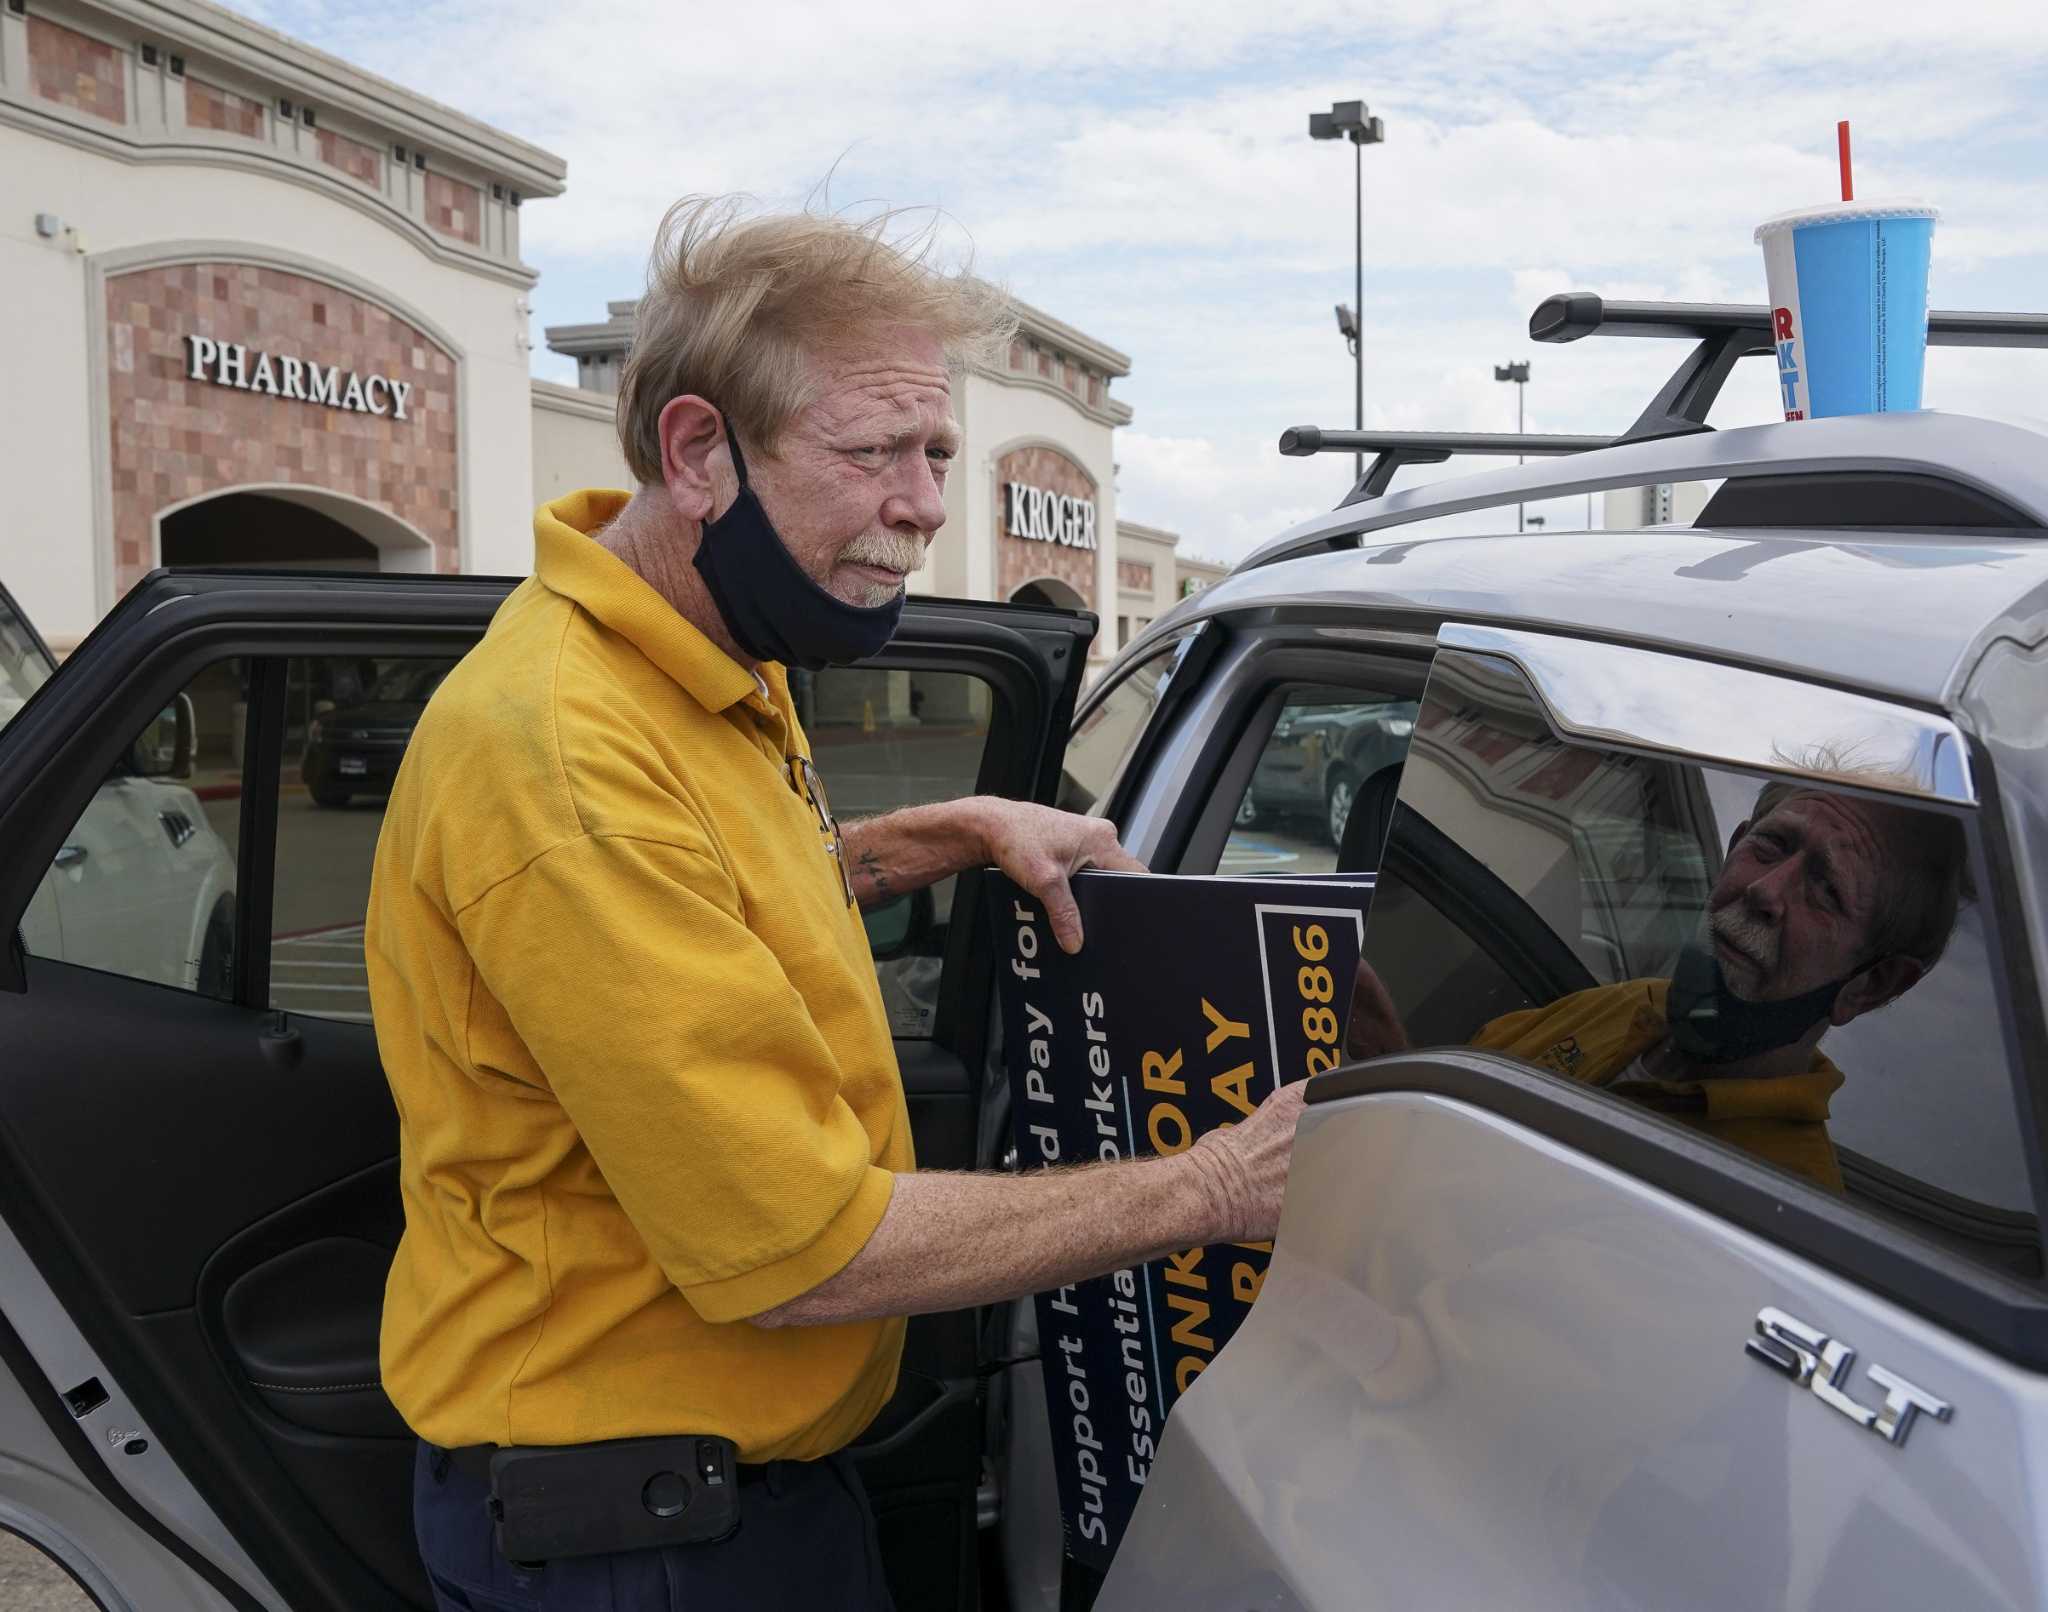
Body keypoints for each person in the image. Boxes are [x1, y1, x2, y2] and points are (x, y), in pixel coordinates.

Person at [364, 197, 1308, 1611]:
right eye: (875, 452)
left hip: (715, 1497)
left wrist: (941, 833)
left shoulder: (702, 660)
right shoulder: (561, 750)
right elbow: (800, 1248)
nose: (926, 502)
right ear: (699, 454)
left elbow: (708, 899)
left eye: (934, 450)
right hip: (641, 1542)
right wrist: (1217, 1184)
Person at [1346, 772, 1967, 1191]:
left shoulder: (1783, 1198)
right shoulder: (1630, 1006)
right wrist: (1383, 1056)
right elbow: (1441, 1145)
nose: (1764, 891)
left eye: (1826, 889)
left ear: (1873, 984)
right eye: (1772, 846)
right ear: (1733, 851)